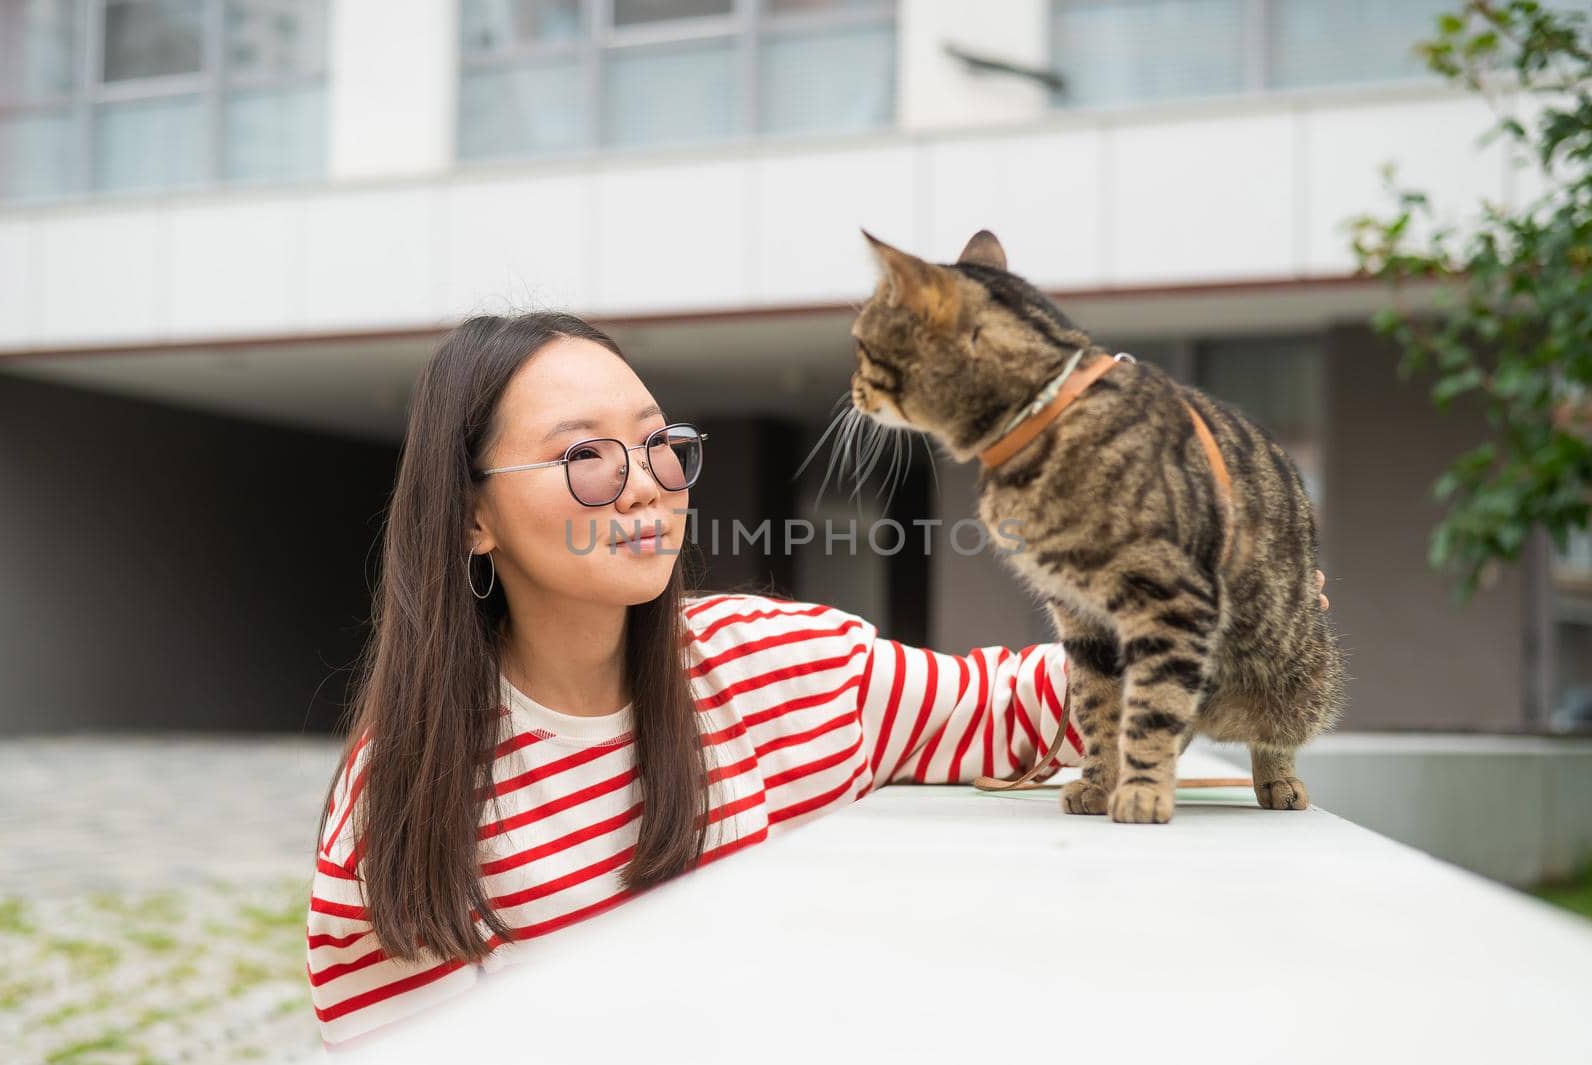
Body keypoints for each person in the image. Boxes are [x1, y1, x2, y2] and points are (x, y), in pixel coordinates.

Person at [305, 311, 1328, 1047]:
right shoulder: (402, 794)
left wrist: (1217, 610)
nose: (647, 487)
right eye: (587, 456)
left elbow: (1016, 708)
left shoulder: (768, 663)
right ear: (472, 514)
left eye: (661, 447)